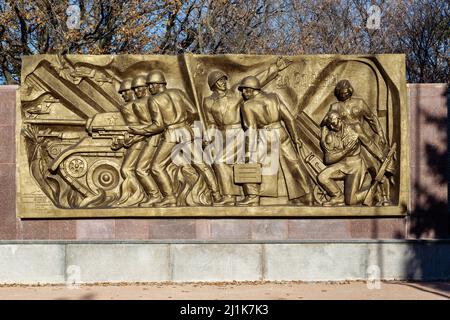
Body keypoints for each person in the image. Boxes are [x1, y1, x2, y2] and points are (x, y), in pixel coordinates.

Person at [130, 70, 224, 207]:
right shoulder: (178, 93)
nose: (149, 88)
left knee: (156, 167)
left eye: (151, 85)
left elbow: (158, 125)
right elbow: (193, 112)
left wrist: (139, 130)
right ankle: (217, 195)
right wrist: (184, 123)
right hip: (186, 131)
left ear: (159, 84)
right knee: (201, 164)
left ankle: (169, 197)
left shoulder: (154, 100)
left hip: (172, 134)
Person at [203, 58, 290, 205]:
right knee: (226, 162)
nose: (224, 82)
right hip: (221, 135)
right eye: (220, 80)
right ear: (213, 84)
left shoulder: (236, 93)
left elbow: (256, 82)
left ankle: (234, 196)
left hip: (238, 133)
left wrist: (275, 68)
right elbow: (211, 122)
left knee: (223, 161)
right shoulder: (208, 101)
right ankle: (244, 195)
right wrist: (208, 137)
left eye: (224, 79)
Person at [237, 76, 312, 206]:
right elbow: (289, 118)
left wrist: (249, 152)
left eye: (244, 90)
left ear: (250, 89)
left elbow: (251, 129)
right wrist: (295, 138)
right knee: (294, 163)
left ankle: (253, 196)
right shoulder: (274, 97)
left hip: (265, 136)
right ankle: (307, 196)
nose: (242, 93)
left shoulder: (247, 105)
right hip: (281, 132)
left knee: (249, 163)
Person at [327, 79, 394, 206]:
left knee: (377, 167)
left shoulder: (360, 103)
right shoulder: (334, 106)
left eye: (346, 92)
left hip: (363, 141)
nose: (344, 95)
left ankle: (385, 197)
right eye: (341, 93)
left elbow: (372, 119)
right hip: (346, 145)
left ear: (350, 91)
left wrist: (381, 134)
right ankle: (373, 195)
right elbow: (327, 124)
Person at [318, 111, 385, 206]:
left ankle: (372, 193)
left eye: (334, 124)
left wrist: (381, 157)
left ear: (339, 119)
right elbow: (328, 159)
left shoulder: (355, 128)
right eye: (330, 125)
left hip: (355, 165)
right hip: (340, 165)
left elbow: (368, 143)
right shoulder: (330, 137)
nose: (332, 127)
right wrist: (345, 151)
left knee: (350, 201)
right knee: (322, 177)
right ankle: (338, 196)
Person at [113, 78, 148, 207]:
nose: (123, 95)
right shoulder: (147, 103)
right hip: (143, 140)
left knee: (127, 169)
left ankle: (138, 196)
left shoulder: (128, 107)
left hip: (140, 141)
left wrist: (125, 142)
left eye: (125, 92)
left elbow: (137, 129)